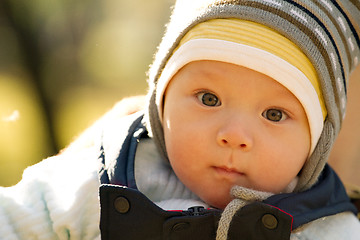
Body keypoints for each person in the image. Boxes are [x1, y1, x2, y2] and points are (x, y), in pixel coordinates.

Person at [1, 0, 360, 239]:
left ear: (317, 143)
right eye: (209, 99)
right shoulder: (105, 180)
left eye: (274, 114)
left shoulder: (329, 228)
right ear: (160, 102)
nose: (234, 135)